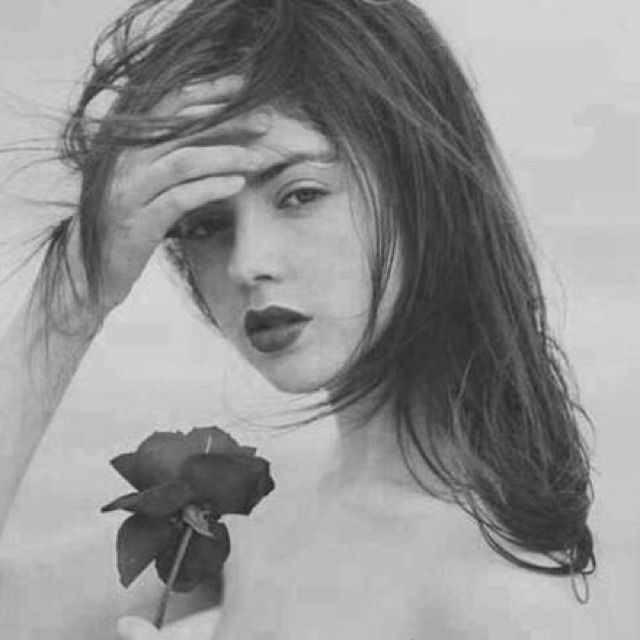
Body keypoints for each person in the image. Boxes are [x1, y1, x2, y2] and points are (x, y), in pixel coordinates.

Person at [0, 0, 598, 637]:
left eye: (300, 194)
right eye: (204, 225)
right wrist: (69, 303)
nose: (246, 263)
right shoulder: (253, 508)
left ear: (426, 188)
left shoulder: (502, 603)